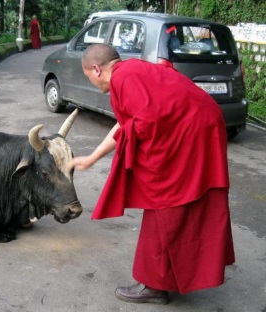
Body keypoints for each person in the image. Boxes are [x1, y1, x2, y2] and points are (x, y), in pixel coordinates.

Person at [68, 44, 235, 304]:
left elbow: (146, 123)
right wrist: (92, 157)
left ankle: (155, 286)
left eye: (87, 75)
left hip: (193, 133)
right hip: (202, 127)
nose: (89, 80)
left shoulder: (124, 78)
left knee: (163, 201)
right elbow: (128, 124)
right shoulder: (132, 71)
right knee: (177, 203)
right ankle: (165, 279)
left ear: (97, 69)